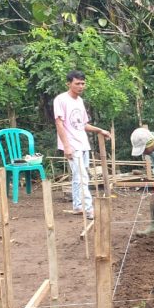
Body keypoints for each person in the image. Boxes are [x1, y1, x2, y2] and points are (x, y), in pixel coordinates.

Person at [54, 70, 110, 219]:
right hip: (72, 145)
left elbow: (83, 124)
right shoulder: (61, 100)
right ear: (69, 84)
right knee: (82, 177)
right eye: (77, 83)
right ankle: (89, 209)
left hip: (83, 144)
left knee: (79, 177)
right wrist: (66, 146)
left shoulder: (79, 101)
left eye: (83, 83)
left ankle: (78, 206)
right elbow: (59, 124)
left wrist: (100, 130)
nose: (81, 86)